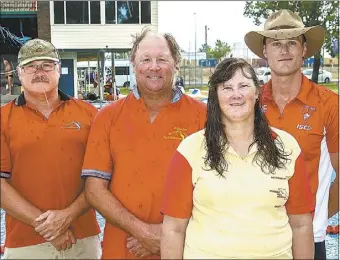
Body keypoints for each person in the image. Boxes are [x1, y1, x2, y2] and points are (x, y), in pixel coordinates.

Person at [161, 57, 314, 259]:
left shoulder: (287, 147)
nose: (236, 95)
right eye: (227, 88)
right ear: (216, 94)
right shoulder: (190, 150)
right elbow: (173, 229)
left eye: (243, 86)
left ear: (257, 92)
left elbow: (301, 225)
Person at [82, 29, 207, 259]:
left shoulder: (203, 116)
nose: (154, 67)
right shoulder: (108, 117)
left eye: (162, 59)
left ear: (176, 63)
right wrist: (144, 232)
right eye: (146, 60)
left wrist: (166, 234)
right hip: (121, 249)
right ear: (133, 63)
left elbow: (217, 189)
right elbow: (94, 190)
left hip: (185, 248)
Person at [244, 9, 339, 259]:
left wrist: (315, 217)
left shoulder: (329, 105)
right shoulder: (249, 104)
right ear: (265, 51)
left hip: (309, 240)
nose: (284, 50)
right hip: (256, 238)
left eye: (292, 43)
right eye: (276, 44)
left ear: (304, 49)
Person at [0, 38, 101, 259]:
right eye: (31, 66)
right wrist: (46, 227)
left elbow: (101, 177)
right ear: (19, 72)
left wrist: (67, 216)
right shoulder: (2, 118)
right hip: (24, 243)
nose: (39, 72)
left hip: (83, 237)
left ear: (58, 70)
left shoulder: (89, 114)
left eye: (46, 65)